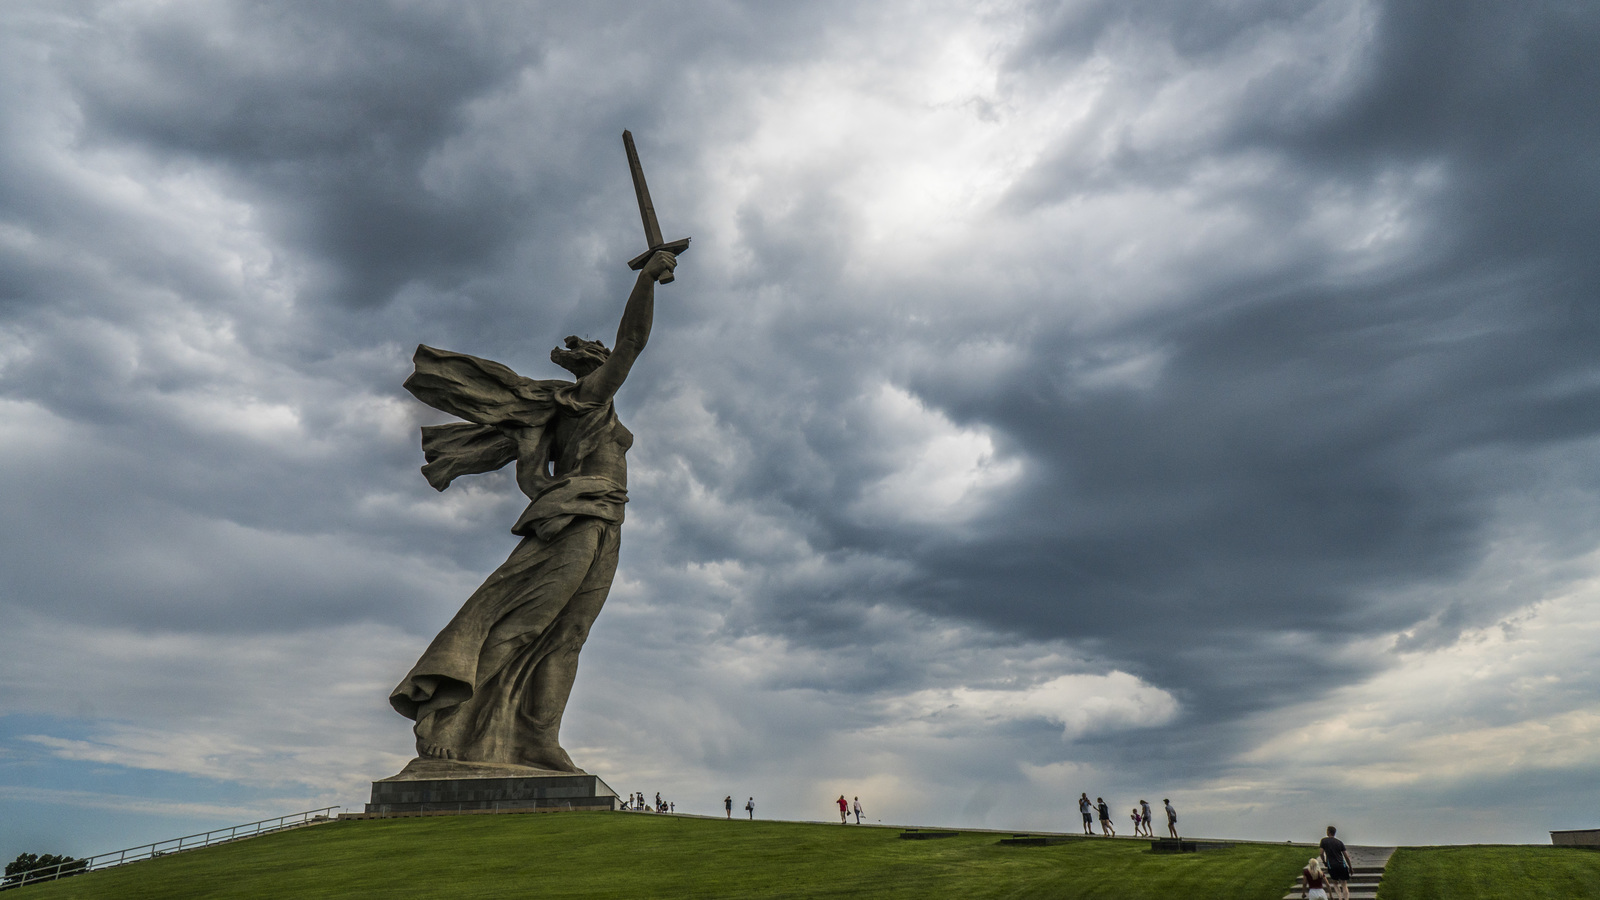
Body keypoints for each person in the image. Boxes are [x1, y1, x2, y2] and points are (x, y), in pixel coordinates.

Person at [388, 250, 679, 770]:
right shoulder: (587, 398)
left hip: (606, 519)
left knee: (569, 634)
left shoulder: (583, 412)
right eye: (603, 358)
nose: (610, 360)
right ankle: (448, 720)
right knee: (527, 623)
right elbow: (634, 342)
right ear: (593, 367)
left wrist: (549, 488)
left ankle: (538, 739)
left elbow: (529, 479)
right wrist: (648, 279)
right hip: (578, 518)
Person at [1319, 826, 1353, 900]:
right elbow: (1346, 856)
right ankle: (1346, 898)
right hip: (1342, 865)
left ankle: (1340, 898)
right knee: (1344, 884)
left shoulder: (1324, 841)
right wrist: (1350, 867)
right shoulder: (1339, 842)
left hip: (1331, 865)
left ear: (1328, 832)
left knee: (1335, 883)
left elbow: (1321, 853)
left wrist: (1324, 861)